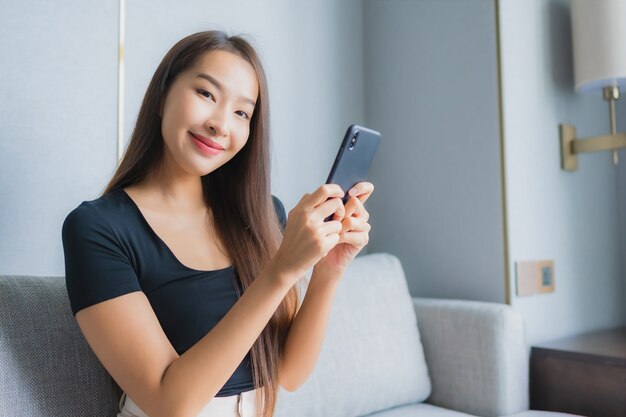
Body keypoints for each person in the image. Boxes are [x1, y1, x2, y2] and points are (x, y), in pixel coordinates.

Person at [61, 30, 373, 417]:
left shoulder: (261, 214)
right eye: (206, 94)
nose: (221, 125)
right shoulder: (96, 228)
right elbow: (168, 403)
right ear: (162, 96)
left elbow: (288, 374)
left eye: (242, 112)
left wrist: (328, 270)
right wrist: (280, 272)